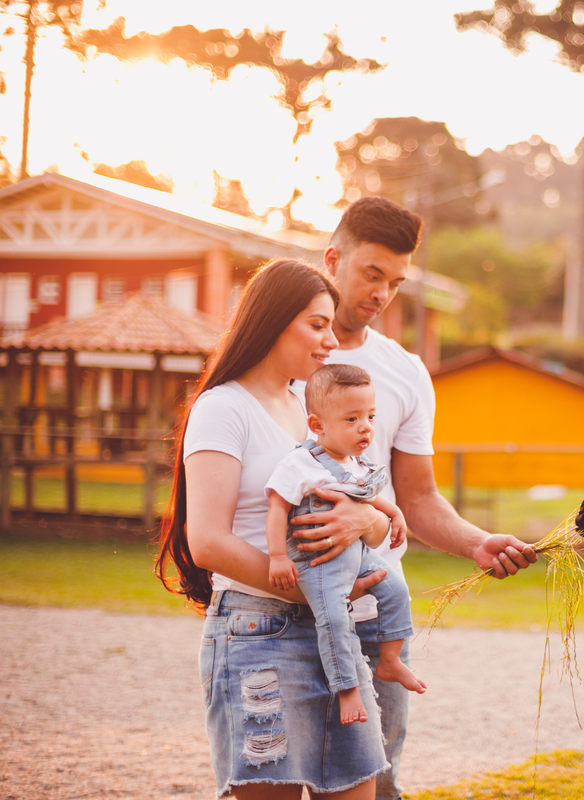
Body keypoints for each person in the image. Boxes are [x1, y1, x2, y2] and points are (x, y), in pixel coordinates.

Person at [321, 196, 538, 800]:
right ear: (332, 259)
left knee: (376, 778)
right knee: (277, 776)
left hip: (373, 610)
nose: (382, 293)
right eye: (371, 273)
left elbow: (417, 497)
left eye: (395, 282)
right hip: (283, 604)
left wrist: (477, 542)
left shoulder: (405, 372)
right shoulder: (278, 357)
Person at [156, 258, 395, 800]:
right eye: (317, 324)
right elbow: (207, 541)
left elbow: (372, 514)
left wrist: (367, 518)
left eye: (331, 326)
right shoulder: (223, 408)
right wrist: (316, 591)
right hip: (259, 634)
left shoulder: (312, 410)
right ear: (271, 321)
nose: (331, 340)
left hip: (333, 633)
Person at [264, 363, 425, 726]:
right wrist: (277, 556)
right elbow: (277, 508)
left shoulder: (356, 464)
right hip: (317, 560)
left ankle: (390, 659)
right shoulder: (300, 464)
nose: (365, 426)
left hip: (358, 553)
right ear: (318, 425)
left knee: (396, 590)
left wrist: (394, 512)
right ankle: (347, 689)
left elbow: (368, 498)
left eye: (370, 416)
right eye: (352, 419)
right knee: (334, 618)